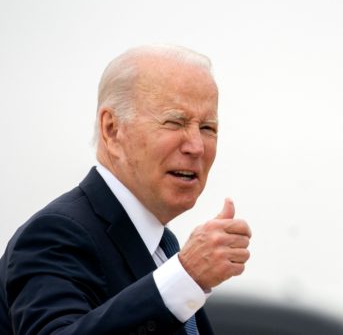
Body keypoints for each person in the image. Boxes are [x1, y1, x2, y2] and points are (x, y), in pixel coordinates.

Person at [0, 44, 252, 335]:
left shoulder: (162, 249)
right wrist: (185, 276)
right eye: (174, 122)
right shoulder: (55, 234)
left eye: (208, 128)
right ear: (112, 130)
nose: (196, 146)